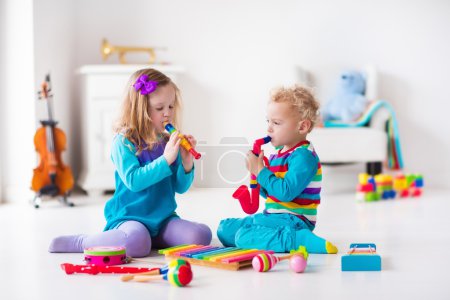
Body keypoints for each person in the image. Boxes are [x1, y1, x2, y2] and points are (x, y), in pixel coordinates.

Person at [49, 68, 212, 257]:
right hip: (130, 217)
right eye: (160, 108)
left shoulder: (167, 142)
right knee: (137, 243)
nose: (167, 113)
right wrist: (166, 160)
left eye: (171, 106)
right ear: (140, 109)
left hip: (163, 219)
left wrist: (186, 163)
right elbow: (134, 181)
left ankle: (155, 238)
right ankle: (83, 241)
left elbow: (180, 187)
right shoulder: (123, 142)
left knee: (201, 235)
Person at [217, 85, 338, 254]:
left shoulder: (304, 157)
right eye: (268, 121)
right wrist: (256, 174)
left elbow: (285, 192)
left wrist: (261, 172)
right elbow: (271, 194)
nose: (269, 129)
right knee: (224, 229)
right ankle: (267, 237)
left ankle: (298, 239)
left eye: (276, 123)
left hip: (294, 220)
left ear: (302, 127)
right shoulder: (277, 154)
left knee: (242, 237)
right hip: (273, 217)